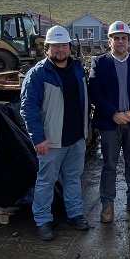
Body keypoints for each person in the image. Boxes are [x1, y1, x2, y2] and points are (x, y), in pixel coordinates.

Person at [20, 25, 90, 241]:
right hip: (51, 141)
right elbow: (28, 108)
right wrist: (38, 138)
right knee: (46, 181)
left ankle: (74, 213)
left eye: (64, 45)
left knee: (73, 178)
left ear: (69, 47)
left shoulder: (77, 69)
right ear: (47, 48)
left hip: (76, 137)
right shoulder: (38, 74)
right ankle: (42, 220)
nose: (60, 49)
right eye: (55, 46)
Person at [88, 20, 130, 223]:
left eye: (123, 38)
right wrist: (113, 114)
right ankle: (107, 205)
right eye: (116, 38)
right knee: (110, 165)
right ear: (110, 41)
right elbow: (95, 93)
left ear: (129, 42)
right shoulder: (99, 62)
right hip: (109, 123)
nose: (120, 42)